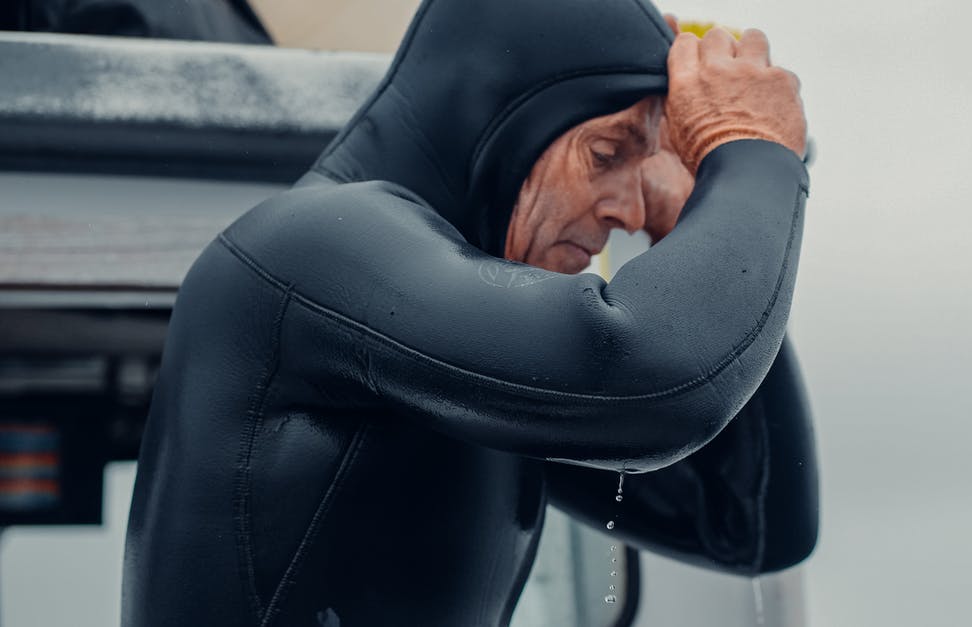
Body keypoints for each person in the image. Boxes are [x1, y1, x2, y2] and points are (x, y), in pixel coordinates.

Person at [122, 1, 817, 625]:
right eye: (606, 154)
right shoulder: (315, 245)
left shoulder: (455, 346)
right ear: (502, 115)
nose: (628, 210)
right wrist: (749, 151)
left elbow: (753, 526)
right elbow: (645, 375)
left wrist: (688, 215)